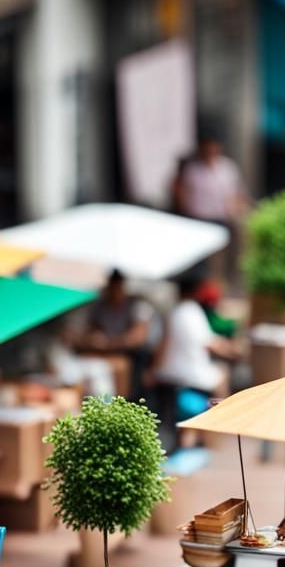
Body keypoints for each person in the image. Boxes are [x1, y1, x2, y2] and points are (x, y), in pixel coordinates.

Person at [155, 268, 241, 434]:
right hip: (188, 374)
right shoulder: (191, 311)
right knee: (221, 376)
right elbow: (211, 343)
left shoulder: (173, 312)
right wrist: (234, 350)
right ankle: (219, 428)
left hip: (168, 371)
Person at [67, 269, 158, 397]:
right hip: (106, 354)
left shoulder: (137, 306)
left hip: (134, 357)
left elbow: (136, 339)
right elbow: (92, 331)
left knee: (120, 368)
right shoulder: (101, 306)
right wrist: (93, 341)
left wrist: (109, 343)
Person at [178, 125, 247, 282]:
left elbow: (236, 195)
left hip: (221, 220)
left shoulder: (227, 168)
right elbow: (183, 196)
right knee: (199, 264)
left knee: (220, 264)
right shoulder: (192, 169)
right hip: (197, 221)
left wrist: (237, 213)